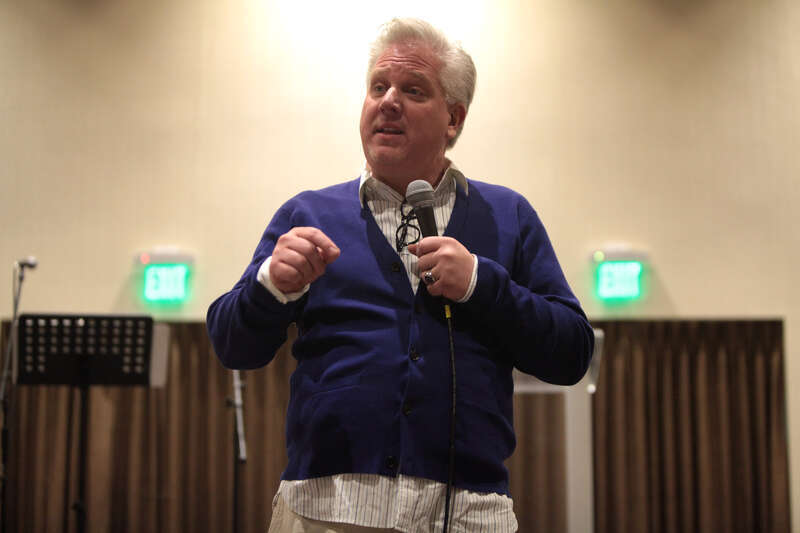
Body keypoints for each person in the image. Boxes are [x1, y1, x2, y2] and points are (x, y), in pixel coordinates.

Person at [207, 17, 594, 533]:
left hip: (468, 515)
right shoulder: (308, 215)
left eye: (413, 90)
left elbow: (572, 354)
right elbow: (233, 346)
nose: (388, 101)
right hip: (326, 509)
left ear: (453, 119)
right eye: (377, 87)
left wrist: (483, 283)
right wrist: (271, 286)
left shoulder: (508, 216)